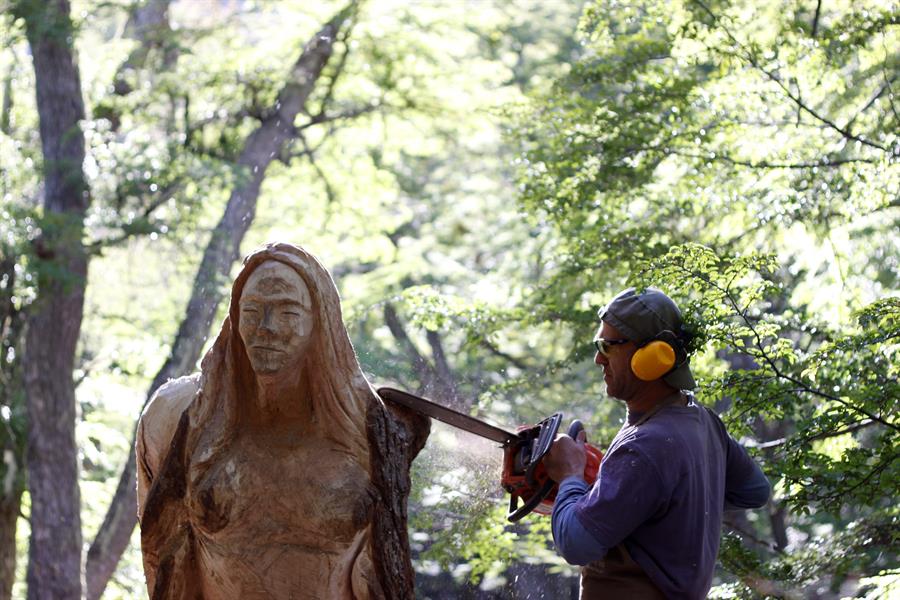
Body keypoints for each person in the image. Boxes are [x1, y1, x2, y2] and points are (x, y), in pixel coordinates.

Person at [136, 242, 427, 599]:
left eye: (288, 313)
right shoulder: (179, 417)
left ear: (319, 322)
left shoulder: (373, 430)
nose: (266, 328)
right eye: (253, 310)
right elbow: (161, 557)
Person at [544, 287, 770, 599]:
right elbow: (755, 490)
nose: (598, 358)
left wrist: (570, 474)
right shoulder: (704, 422)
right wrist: (635, 499)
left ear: (653, 356)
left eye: (608, 346)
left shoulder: (645, 447)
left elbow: (575, 544)